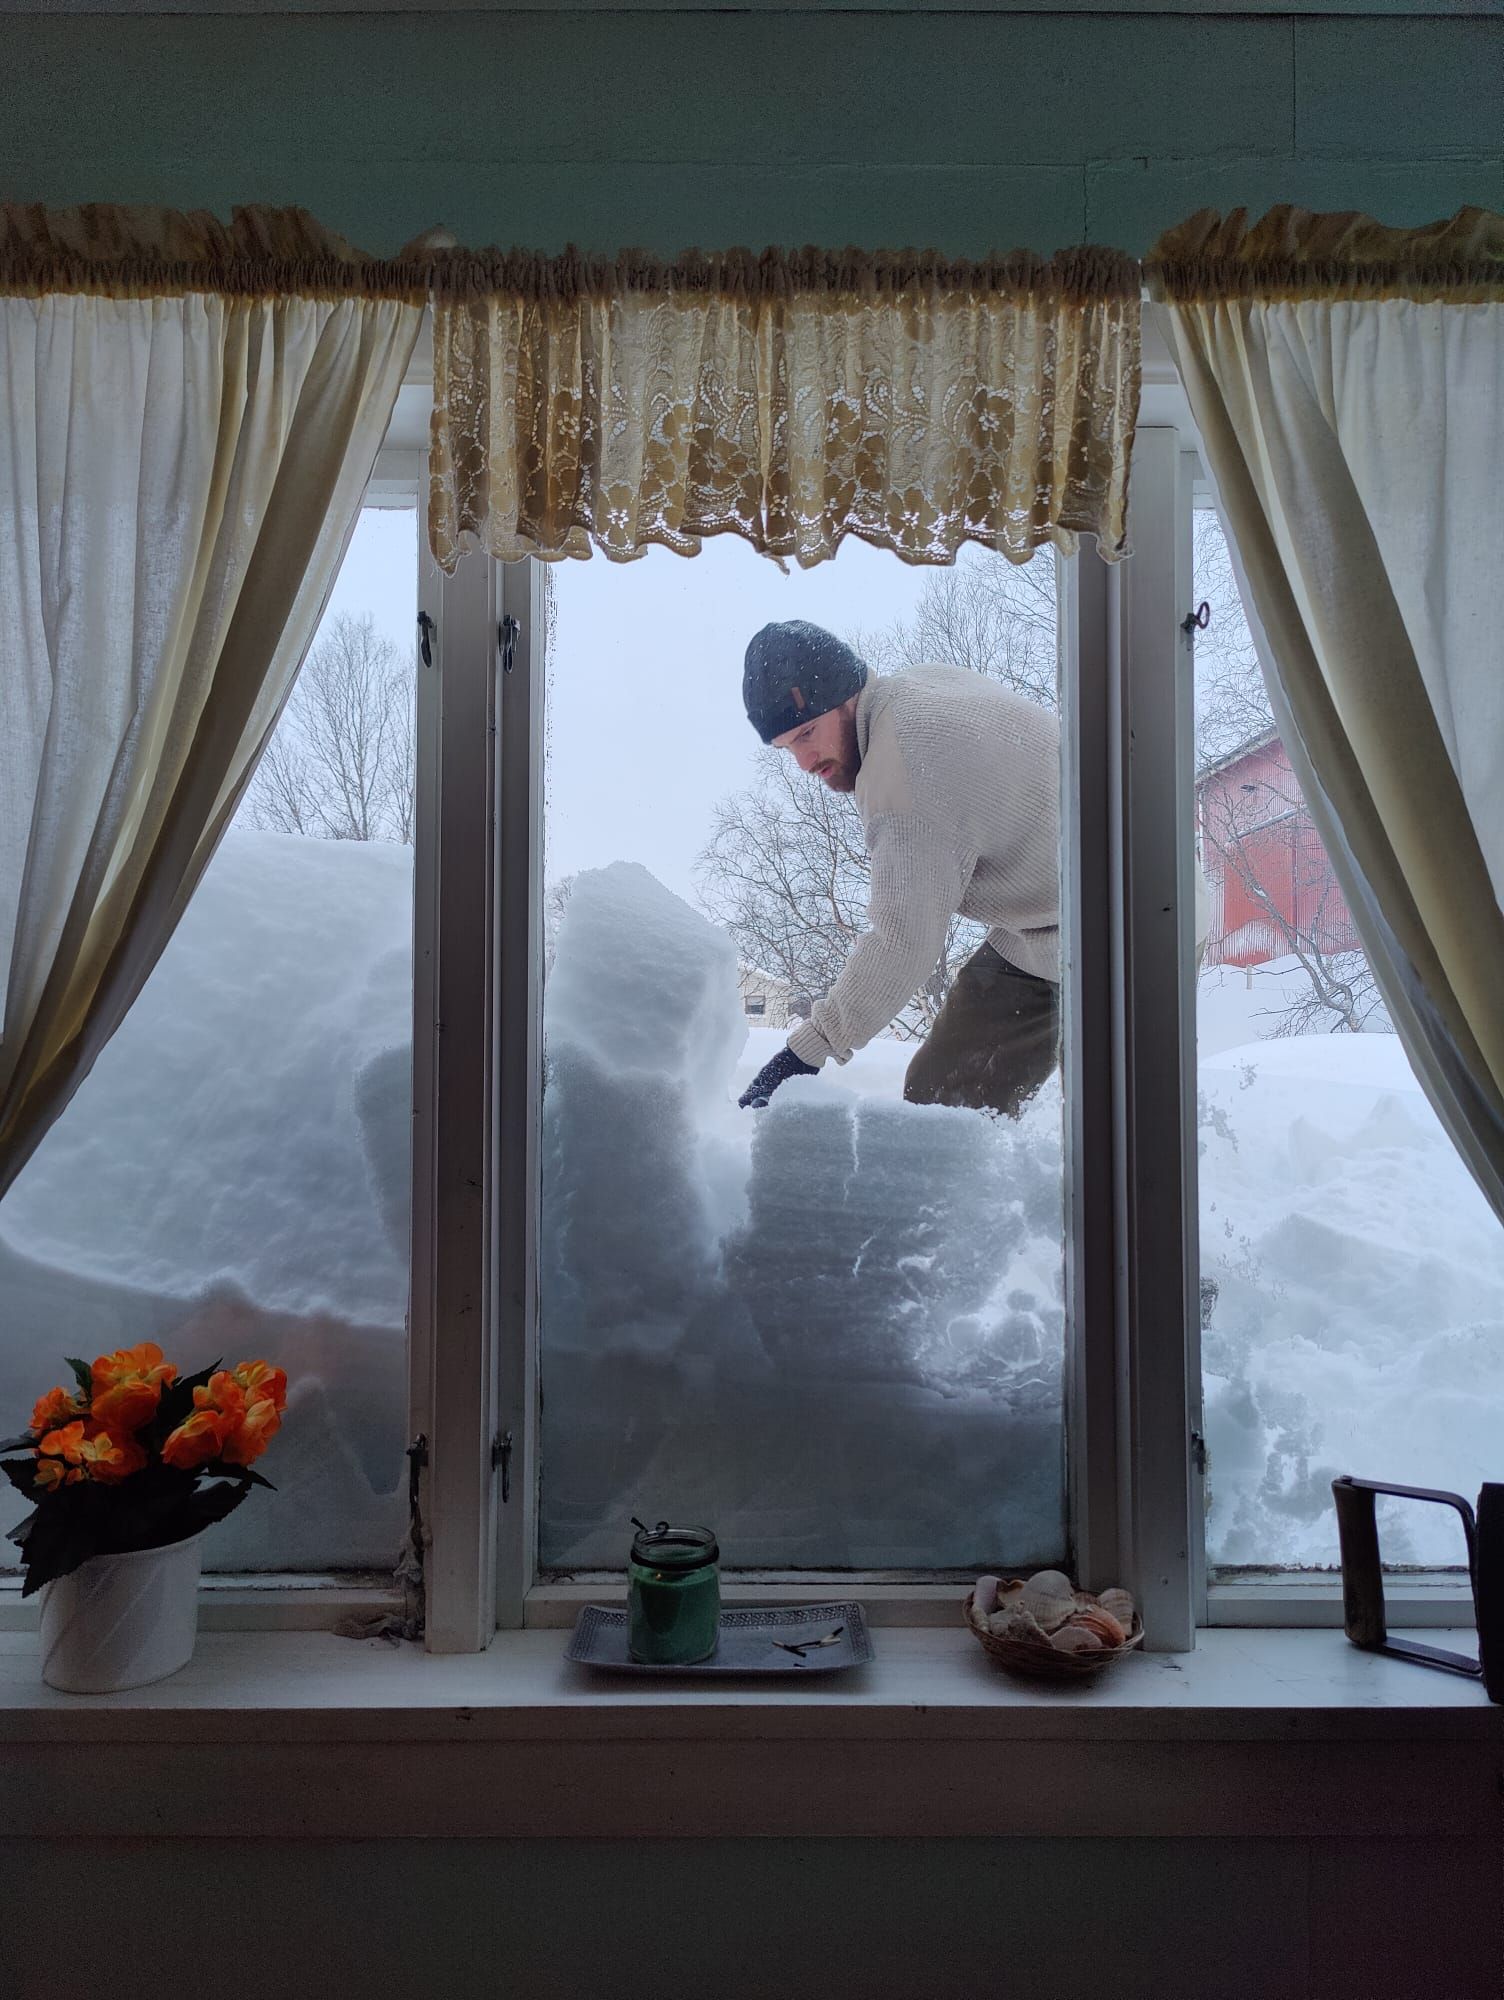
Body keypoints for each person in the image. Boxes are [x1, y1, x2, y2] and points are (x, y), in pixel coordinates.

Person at [736, 619, 1061, 1118]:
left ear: (847, 696)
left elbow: (902, 942)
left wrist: (805, 1051)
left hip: (1125, 922)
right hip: (1044, 923)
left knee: (947, 1112)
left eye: (807, 733)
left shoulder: (902, 774)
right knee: (942, 1093)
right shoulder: (919, 685)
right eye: (788, 747)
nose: (803, 762)